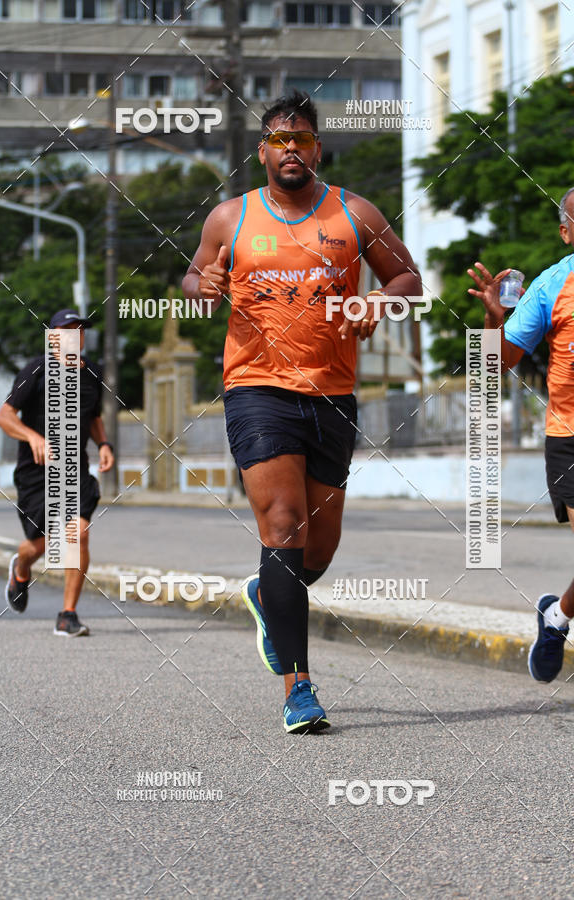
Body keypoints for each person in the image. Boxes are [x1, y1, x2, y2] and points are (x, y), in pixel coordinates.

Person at [183, 90, 421, 733]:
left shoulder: (354, 212)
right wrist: (201, 285)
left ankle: (268, 593)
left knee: (319, 544)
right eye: (280, 141)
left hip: (332, 394)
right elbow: (197, 276)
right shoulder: (230, 218)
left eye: (304, 141)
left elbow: (407, 279)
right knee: (282, 524)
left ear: (318, 149)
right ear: (262, 152)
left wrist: (380, 303)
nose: (292, 151)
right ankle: (299, 688)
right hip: (255, 387)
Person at [467, 186, 574, 684]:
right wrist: (494, 319)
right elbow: (496, 364)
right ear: (566, 231)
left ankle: (558, 616)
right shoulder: (554, 285)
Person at [0, 308, 114, 636]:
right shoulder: (36, 369)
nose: (74, 336)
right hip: (36, 473)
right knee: (41, 545)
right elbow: (5, 416)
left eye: (79, 330)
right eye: (66, 331)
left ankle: (67, 614)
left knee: (77, 533)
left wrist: (104, 444)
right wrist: (33, 436)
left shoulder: (92, 372)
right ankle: (20, 569)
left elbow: (93, 417)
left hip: (75, 470)